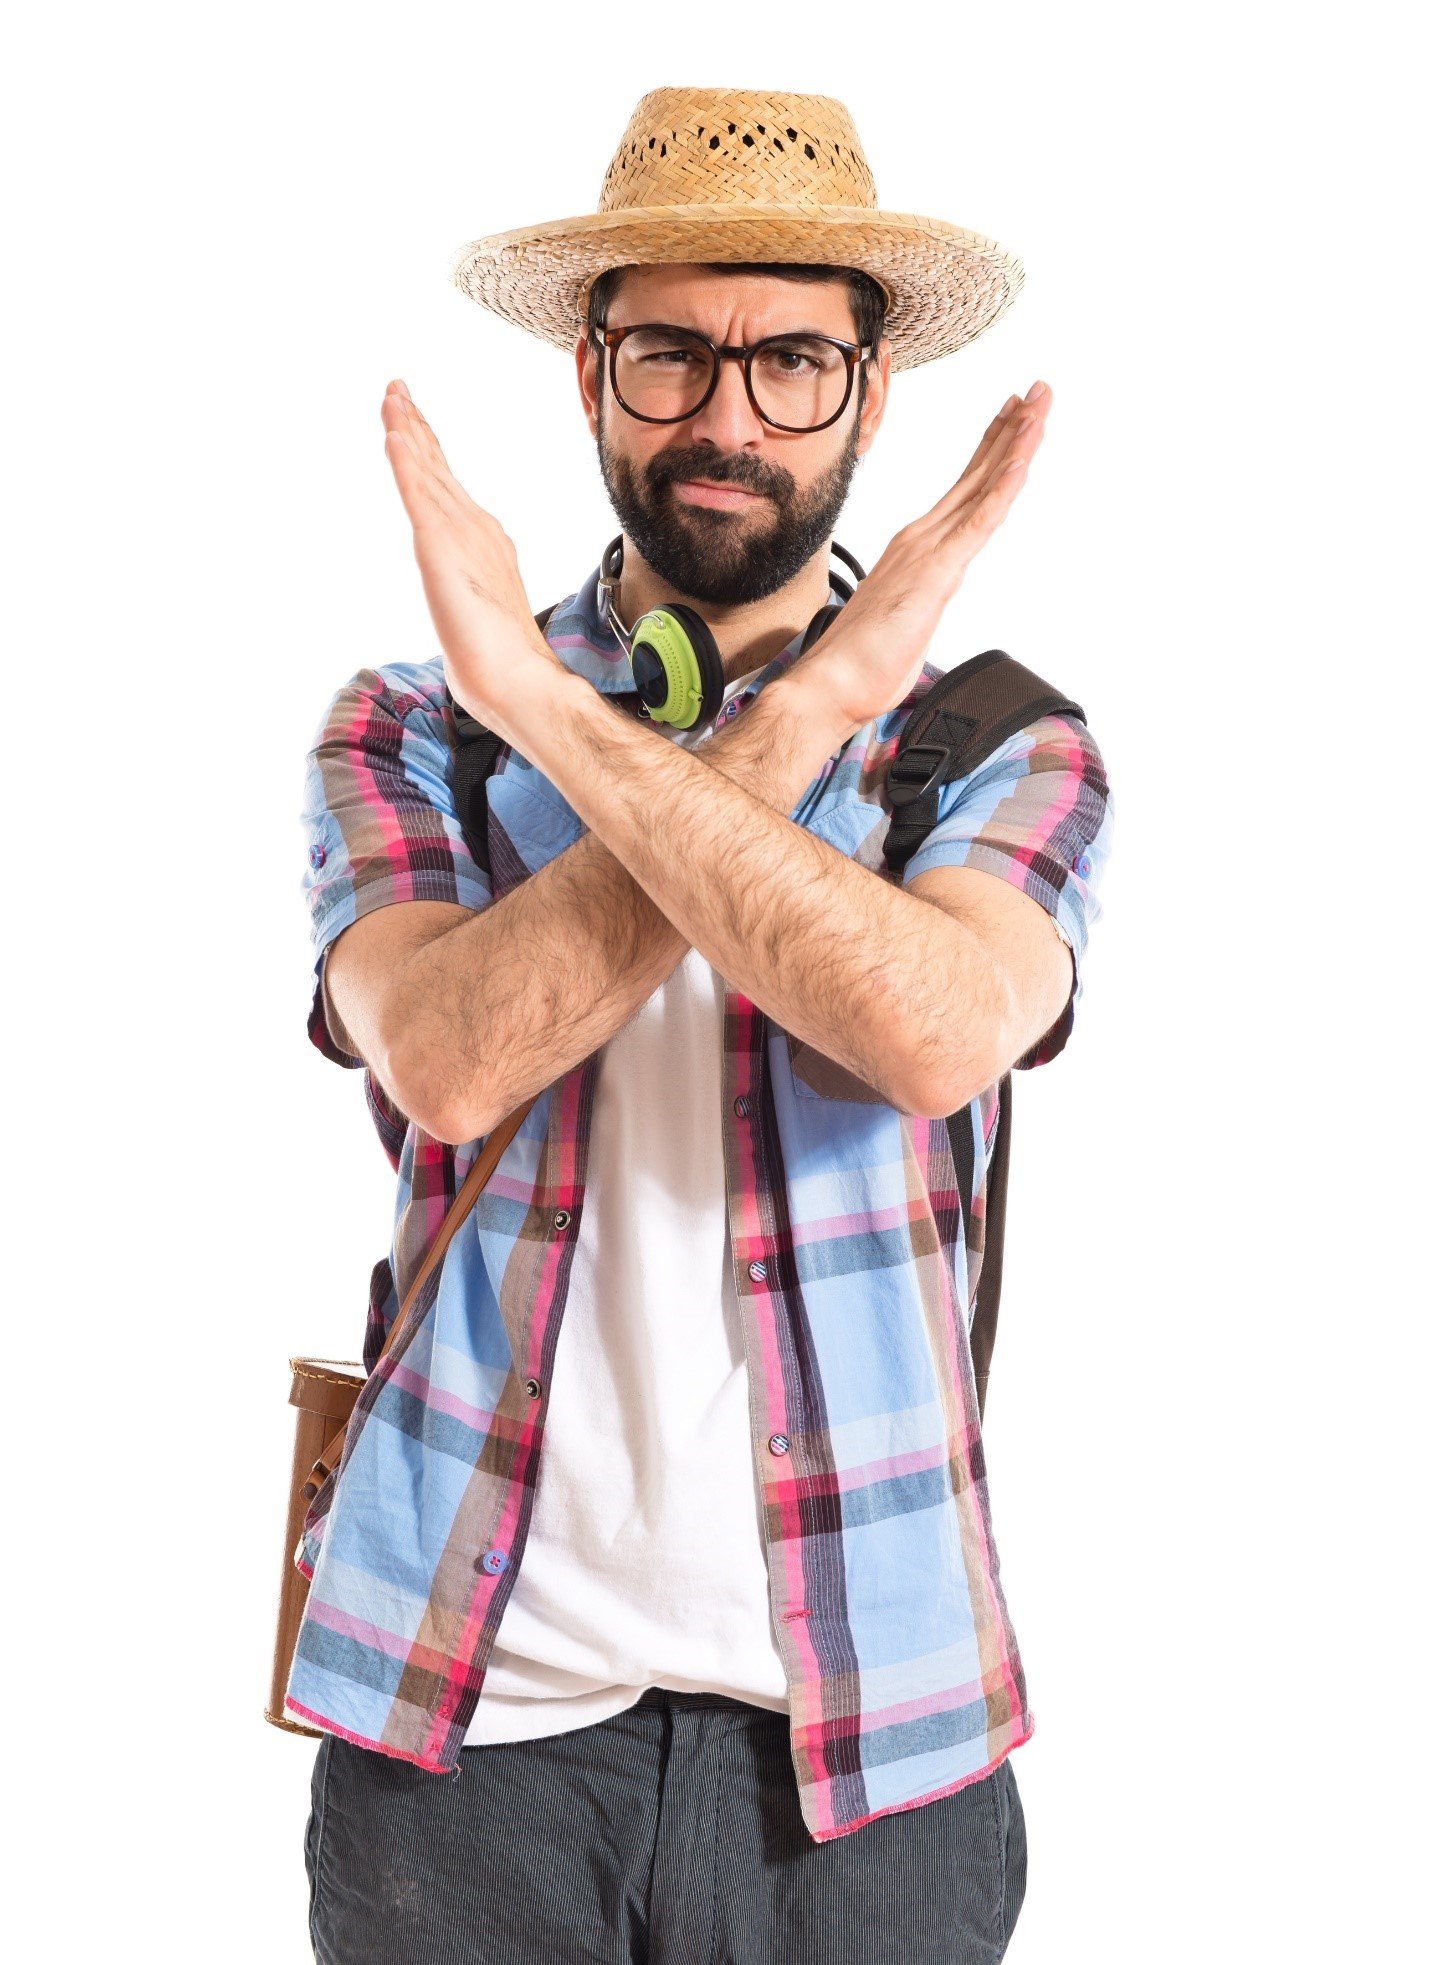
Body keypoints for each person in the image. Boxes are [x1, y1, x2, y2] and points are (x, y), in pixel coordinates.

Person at [292, 84, 1114, 1965]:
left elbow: (925, 1034)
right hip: (458, 1736)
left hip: (870, 1747)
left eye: (791, 360)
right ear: (591, 372)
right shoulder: (414, 727)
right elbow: (450, 1054)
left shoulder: (989, 743)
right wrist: (709, 711)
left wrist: (757, 707)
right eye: (669, 350)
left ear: (870, 392)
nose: (726, 414)